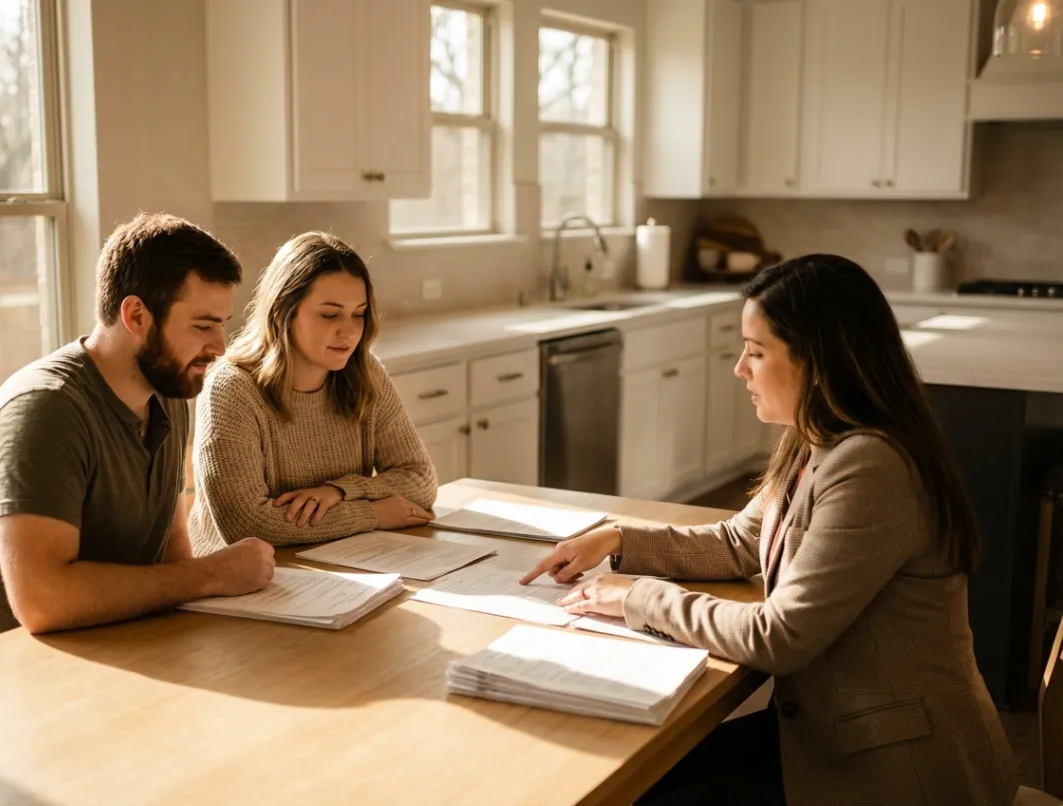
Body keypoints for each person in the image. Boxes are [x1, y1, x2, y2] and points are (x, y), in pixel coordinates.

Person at [521, 254, 1020, 806]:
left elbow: (777, 638)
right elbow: (741, 541)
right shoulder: (818, 439)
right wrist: (618, 539)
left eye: (756, 352)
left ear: (820, 363)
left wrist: (639, 597)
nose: (739, 368)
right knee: (643, 776)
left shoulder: (872, 465)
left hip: (898, 769)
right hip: (837, 731)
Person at [0, 213, 277, 652]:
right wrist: (213, 574)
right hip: (2, 676)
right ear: (136, 315)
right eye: (202, 324)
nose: (219, 345)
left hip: (116, 643)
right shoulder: (46, 409)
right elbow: (42, 602)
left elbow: (172, 552)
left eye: (221, 324)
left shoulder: (167, 391)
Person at [188, 231, 436, 552]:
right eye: (330, 315)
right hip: (241, 581)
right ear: (283, 312)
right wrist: (371, 513)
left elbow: (421, 480)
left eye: (358, 314)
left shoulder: (364, 371)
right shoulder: (231, 388)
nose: (348, 332)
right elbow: (248, 524)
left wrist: (340, 491)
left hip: (340, 563)